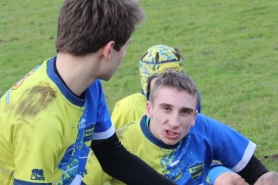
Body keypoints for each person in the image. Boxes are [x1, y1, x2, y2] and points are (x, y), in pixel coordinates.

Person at [0, 0, 177, 185]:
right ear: (109, 50)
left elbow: (113, 157)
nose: (124, 54)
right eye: (125, 46)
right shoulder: (42, 120)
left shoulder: (88, 84)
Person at [82, 69, 278, 185]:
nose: (174, 122)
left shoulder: (204, 128)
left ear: (194, 116)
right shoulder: (118, 145)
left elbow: (257, 172)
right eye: (166, 108)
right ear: (149, 109)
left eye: (184, 112)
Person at [110, 44, 244, 184]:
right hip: (146, 174)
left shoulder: (188, 99)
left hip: (191, 167)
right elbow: (110, 150)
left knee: (232, 180)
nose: (166, 84)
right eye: (159, 80)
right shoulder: (128, 107)